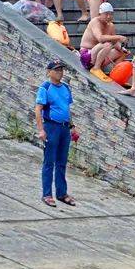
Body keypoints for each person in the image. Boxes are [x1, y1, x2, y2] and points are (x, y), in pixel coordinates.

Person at [35, 59, 77, 207]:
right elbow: (38, 109)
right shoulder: (45, 88)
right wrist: (41, 130)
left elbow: (67, 108)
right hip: (51, 127)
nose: (60, 72)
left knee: (62, 162)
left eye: (61, 70)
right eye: (57, 70)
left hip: (64, 128)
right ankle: (47, 194)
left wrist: (72, 126)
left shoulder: (65, 88)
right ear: (49, 72)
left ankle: (61, 193)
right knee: (49, 162)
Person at [78, 2, 127, 80]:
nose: (109, 16)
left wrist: (122, 48)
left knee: (121, 52)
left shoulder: (111, 25)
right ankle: (96, 68)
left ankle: (116, 76)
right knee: (107, 44)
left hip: (100, 57)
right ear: (100, 14)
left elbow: (115, 43)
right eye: (106, 14)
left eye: (111, 14)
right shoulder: (95, 22)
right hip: (87, 56)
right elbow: (100, 38)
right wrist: (118, 37)